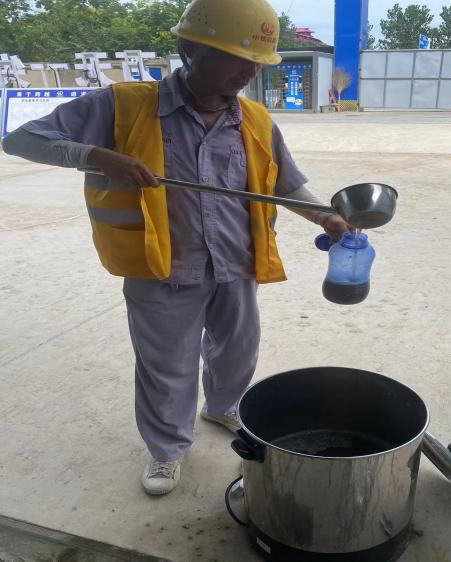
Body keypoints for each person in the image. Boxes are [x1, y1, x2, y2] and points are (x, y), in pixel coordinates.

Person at [3, 0, 348, 495]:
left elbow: (285, 185)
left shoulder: (255, 119)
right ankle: (167, 450)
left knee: (237, 350)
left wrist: (323, 216)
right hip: (160, 265)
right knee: (166, 366)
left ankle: (223, 406)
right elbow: (21, 140)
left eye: (257, 62)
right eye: (237, 58)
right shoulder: (121, 105)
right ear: (190, 48)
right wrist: (98, 156)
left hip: (236, 261)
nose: (249, 72)